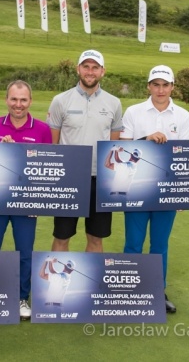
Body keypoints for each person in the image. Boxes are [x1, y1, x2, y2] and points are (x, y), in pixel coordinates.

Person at [120, 64, 189, 314]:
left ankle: (155, 292)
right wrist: (146, 140)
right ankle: (129, 292)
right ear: (149, 86)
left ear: (172, 87)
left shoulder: (183, 116)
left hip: (166, 189)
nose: (160, 90)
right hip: (135, 187)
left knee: (159, 244)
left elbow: (183, 157)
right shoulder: (133, 112)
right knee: (133, 243)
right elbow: (122, 149)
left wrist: (181, 193)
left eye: (165, 85)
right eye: (156, 84)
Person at [0, 80, 52, 320]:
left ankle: (21, 297)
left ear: (30, 101)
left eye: (23, 100)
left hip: (25, 203)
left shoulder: (41, 129)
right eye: (13, 99)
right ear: (6, 100)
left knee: (25, 251)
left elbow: (46, 168)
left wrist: (38, 202)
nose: (18, 105)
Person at [47, 49, 123, 252]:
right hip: (68, 178)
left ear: (102, 71)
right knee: (62, 236)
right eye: (86, 66)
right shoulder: (60, 100)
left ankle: (92, 283)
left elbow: (113, 147)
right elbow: (52, 146)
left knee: (96, 238)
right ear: (78, 69)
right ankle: (57, 285)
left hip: (100, 180)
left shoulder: (114, 103)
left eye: (95, 67)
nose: (90, 71)